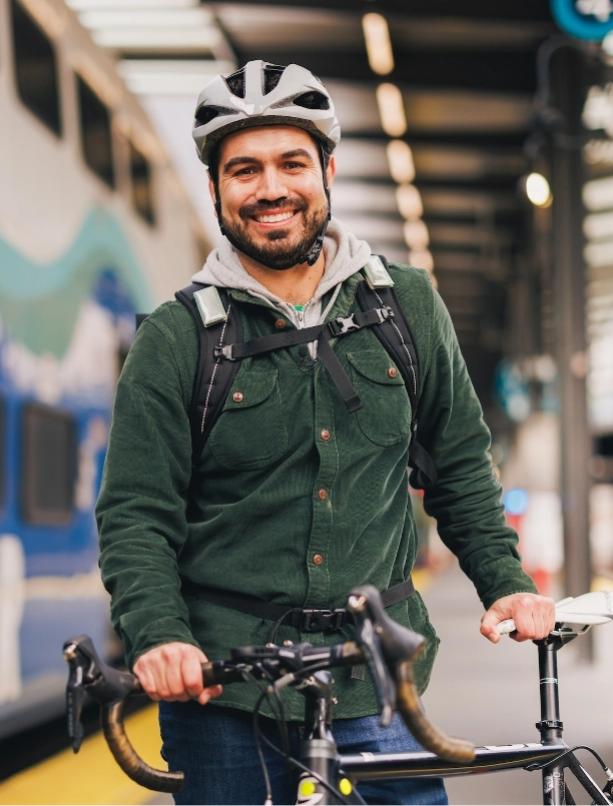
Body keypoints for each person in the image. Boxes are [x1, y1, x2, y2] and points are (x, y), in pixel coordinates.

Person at [96, 60, 555, 805]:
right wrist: (157, 635)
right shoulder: (177, 338)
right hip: (224, 689)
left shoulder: (405, 307)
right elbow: (136, 515)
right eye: (243, 169)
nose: (270, 188)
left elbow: (461, 466)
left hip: (378, 677)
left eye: (291, 164)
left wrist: (505, 584)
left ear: (328, 171)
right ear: (215, 188)